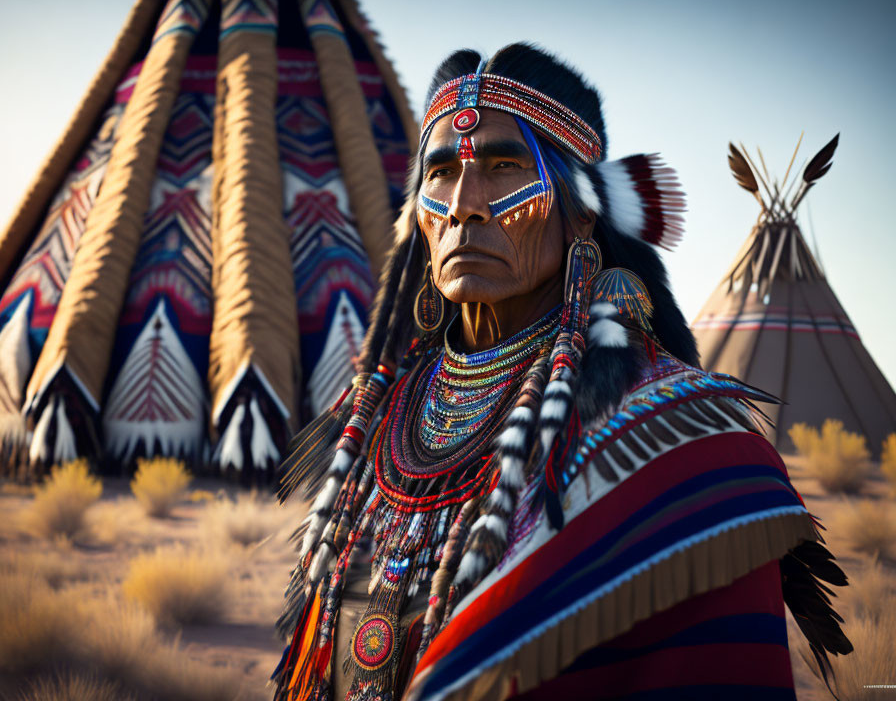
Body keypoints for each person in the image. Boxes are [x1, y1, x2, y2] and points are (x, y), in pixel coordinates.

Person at [272, 43, 851, 701]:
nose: (465, 203)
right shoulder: (374, 415)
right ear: (417, 222)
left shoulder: (689, 450)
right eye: (440, 172)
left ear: (582, 210)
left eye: (503, 167)